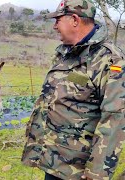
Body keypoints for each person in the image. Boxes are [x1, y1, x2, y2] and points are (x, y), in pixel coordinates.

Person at [21, 0, 125, 179]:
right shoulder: (65, 54)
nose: (54, 26)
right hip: (54, 161)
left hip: (78, 171)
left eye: (58, 20)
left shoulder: (109, 60)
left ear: (75, 20)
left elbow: (114, 119)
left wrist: (96, 174)